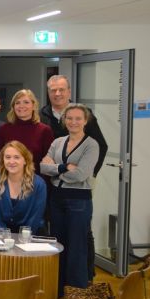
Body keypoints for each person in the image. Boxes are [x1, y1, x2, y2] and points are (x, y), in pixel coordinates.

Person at [40, 75, 108, 281]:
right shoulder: (44, 117)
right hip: (56, 193)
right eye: (53, 90)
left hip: (80, 193)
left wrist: (88, 175)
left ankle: (84, 281)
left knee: (80, 239)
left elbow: (97, 152)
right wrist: (62, 168)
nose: (57, 93)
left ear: (69, 91)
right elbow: (44, 165)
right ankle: (60, 285)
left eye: (61, 89)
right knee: (58, 240)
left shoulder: (88, 134)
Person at [41, 104, 99, 294]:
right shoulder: (58, 141)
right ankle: (58, 290)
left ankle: (76, 293)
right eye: (70, 118)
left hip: (79, 201)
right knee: (58, 245)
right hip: (57, 198)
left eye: (78, 118)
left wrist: (55, 170)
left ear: (85, 121)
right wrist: (64, 167)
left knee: (77, 247)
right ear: (64, 120)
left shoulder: (91, 144)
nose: (73, 122)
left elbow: (81, 175)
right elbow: (43, 167)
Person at [0, 141, 47, 233]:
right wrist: (6, 236)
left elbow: (36, 216)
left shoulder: (39, 184)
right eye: (7, 157)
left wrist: (22, 238)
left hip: (31, 234)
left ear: (25, 160)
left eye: (17, 157)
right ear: (3, 160)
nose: (11, 161)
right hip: (2, 233)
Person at [0, 89, 54, 178]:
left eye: (26, 102)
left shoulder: (45, 130)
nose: (21, 106)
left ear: (33, 105)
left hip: (36, 184)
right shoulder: (4, 129)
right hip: (9, 182)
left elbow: (48, 164)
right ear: (13, 107)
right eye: (17, 103)